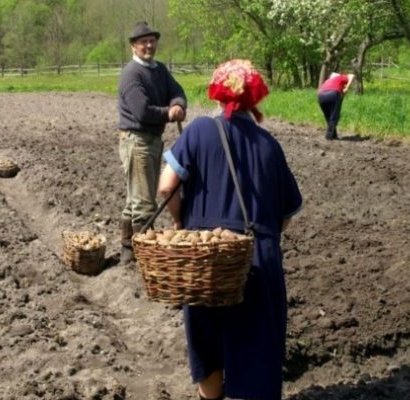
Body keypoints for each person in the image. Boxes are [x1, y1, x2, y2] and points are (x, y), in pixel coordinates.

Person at [157, 59, 303, 400]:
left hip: (205, 262)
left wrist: (181, 226)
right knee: (258, 353)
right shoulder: (269, 145)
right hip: (257, 259)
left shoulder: (198, 131)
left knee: (208, 352)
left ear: (217, 93)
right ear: (255, 97)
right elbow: (287, 213)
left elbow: (166, 188)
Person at [118, 21, 187, 264]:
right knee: (144, 202)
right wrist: (169, 113)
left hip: (152, 139)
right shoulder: (131, 74)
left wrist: (178, 103)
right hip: (137, 140)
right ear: (134, 46)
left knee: (135, 198)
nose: (149, 45)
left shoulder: (158, 69)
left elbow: (177, 90)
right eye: (143, 42)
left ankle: (128, 250)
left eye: (152, 41)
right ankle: (145, 257)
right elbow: (142, 111)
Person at [317, 71, 355, 140]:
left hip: (320, 95)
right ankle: (329, 137)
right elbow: (351, 76)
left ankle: (334, 135)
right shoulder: (339, 77)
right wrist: (347, 87)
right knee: (334, 116)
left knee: (328, 117)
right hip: (332, 93)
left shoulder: (328, 81)